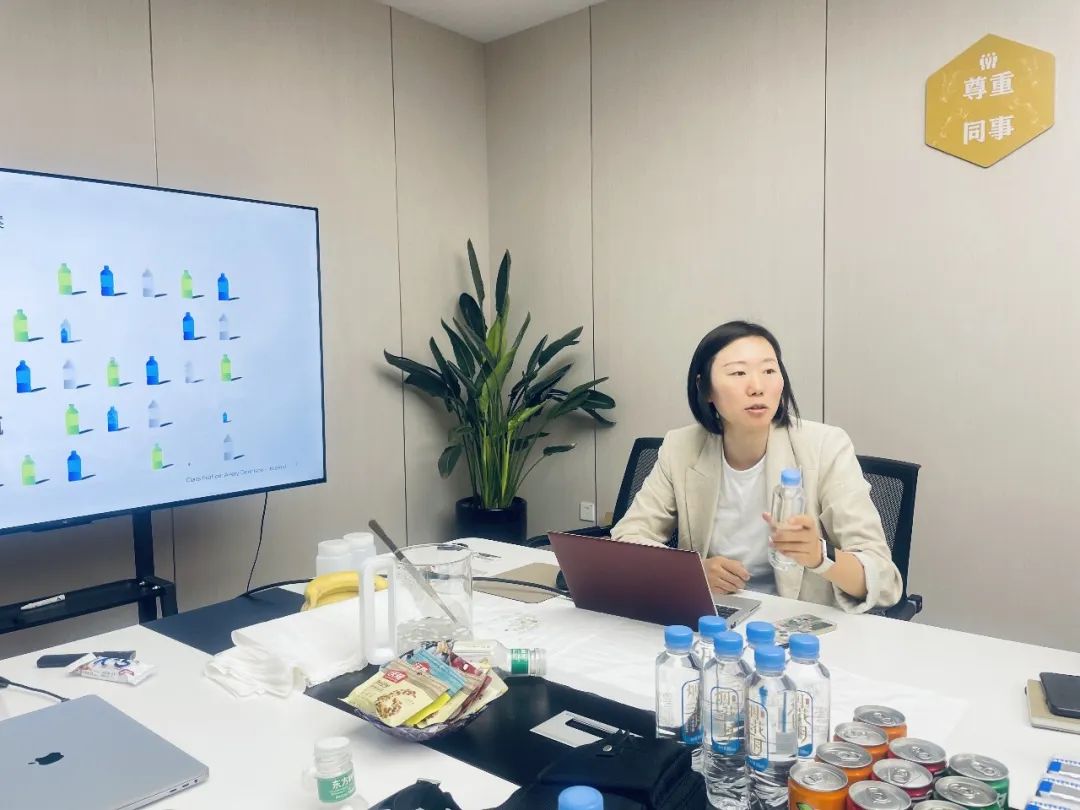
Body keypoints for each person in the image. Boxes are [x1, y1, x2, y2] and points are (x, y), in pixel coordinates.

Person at [611, 321, 902, 613]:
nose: (757, 387)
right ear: (705, 388)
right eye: (738, 373)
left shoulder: (825, 446)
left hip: (797, 621)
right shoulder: (681, 447)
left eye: (769, 371)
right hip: (714, 613)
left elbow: (885, 581)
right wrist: (693, 573)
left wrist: (819, 555)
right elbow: (628, 538)